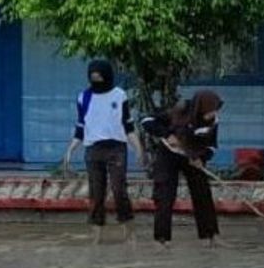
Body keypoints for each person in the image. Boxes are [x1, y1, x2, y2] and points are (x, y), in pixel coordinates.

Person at [61, 59, 144, 244]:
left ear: (107, 75)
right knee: (96, 193)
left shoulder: (119, 95)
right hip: (93, 149)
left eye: (99, 77)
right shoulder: (84, 97)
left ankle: (129, 231)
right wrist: (70, 150)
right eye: (93, 77)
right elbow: (80, 128)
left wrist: (138, 149)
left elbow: (128, 125)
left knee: (119, 190)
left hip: (116, 148)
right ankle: (96, 237)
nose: (96, 80)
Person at [141, 90, 224, 248]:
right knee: (165, 195)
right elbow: (147, 121)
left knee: (203, 194)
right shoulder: (179, 111)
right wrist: (166, 134)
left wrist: (202, 158)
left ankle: (211, 235)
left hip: (193, 157)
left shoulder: (213, 121)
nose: (212, 114)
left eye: (215, 110)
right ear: (200, 108)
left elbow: (212, 145)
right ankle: (161, 239)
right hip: (169, 155)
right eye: (210, 111)